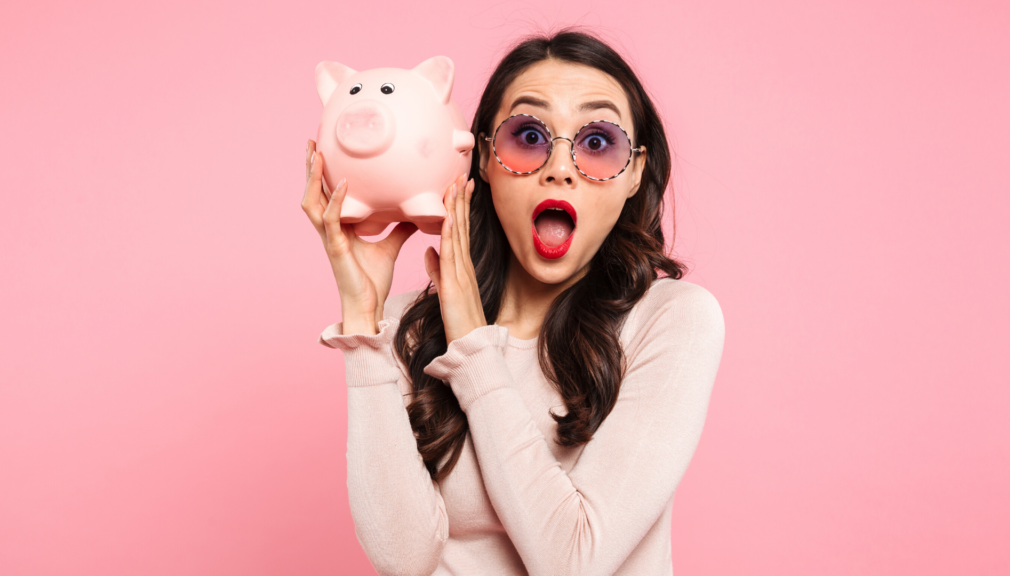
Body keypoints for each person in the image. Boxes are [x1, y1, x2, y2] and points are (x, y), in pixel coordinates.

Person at [300, 28, 725, 576]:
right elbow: (404, 560)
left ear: (635, 173)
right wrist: (362, 326)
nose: (561, 168)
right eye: (528, 136)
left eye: (598, 142)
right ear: (482, 158)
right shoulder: (402, 327)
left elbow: (574, 560)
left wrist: (475, 353)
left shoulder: (671, 320)